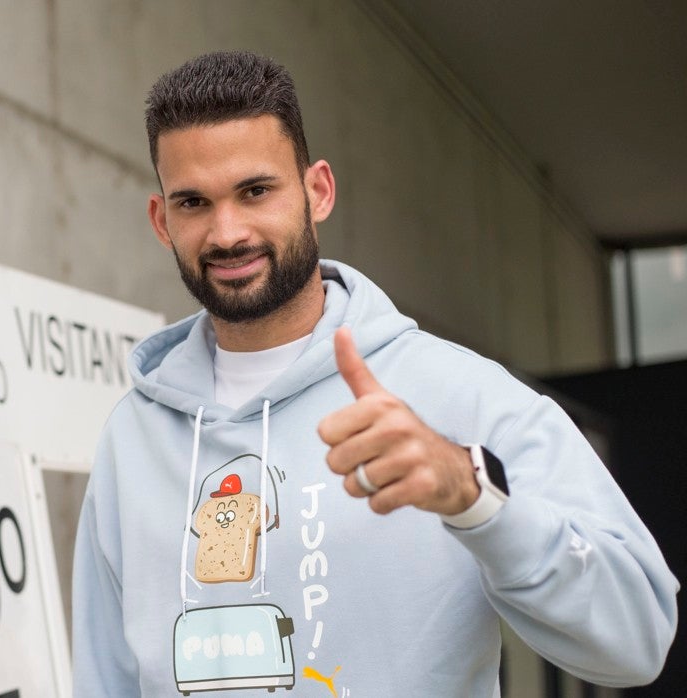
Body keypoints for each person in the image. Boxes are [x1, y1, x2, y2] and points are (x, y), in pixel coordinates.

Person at [71, 51, 678, 697]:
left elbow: (636, 641)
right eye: (194, 202)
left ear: (318, 191)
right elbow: (104, 677)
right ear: (163, 221)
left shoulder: (462, 396)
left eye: (256, 190)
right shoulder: (133, 434)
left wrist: (477, 500)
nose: (227, 232)